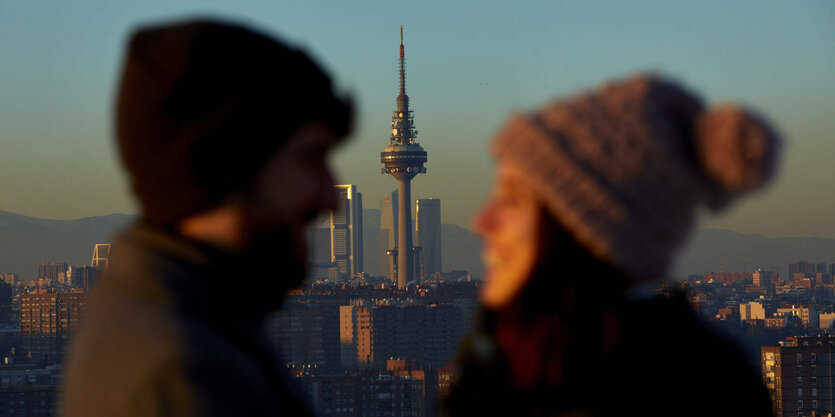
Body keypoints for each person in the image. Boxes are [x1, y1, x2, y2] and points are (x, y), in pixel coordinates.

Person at [61, 19, 352, 417]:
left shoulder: (193, 317)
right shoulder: (184, 374)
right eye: (310, 158)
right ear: (228, 166)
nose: (331, 196)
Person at [444, 74, 780, 416]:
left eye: (513, 198)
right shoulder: (507, 370)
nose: (481, 221)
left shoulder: (704, 394)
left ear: (579, 229)